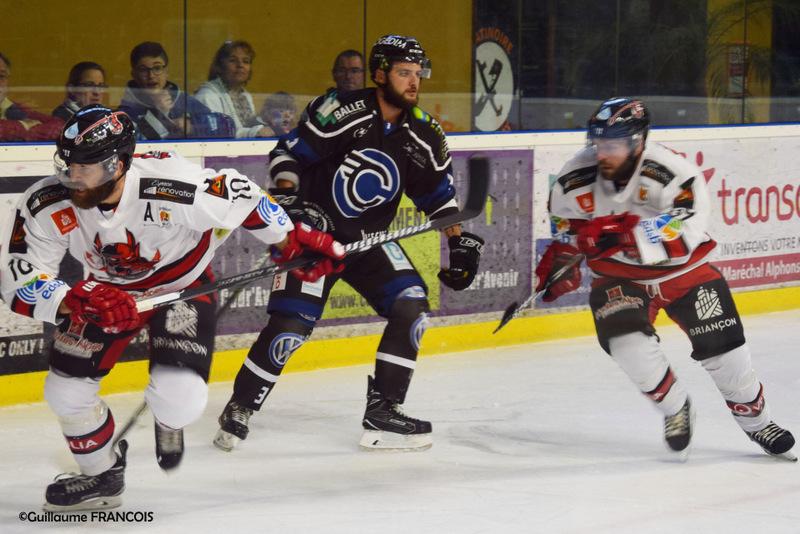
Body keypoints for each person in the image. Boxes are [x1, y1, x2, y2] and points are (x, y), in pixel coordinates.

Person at [0, 105, 344, 511]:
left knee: (180, 398)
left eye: (84, 167)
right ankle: (102, 474)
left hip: (181, 287)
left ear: (117, 164)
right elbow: (18, 275)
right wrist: (71, 300)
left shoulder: (170, 184)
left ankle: (168, 419)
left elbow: (242, 195)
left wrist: (289, 240)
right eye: (66, 163)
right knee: (65, 392)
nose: (71, 176)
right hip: (105, 297)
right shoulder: (47, 202)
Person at [214, 34, 485, 453]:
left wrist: (458, 240)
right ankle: (241, 406)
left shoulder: (425, 133)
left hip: (368, 242)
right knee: (291, 326)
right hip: (316, 239)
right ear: (380, 74)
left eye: (418, 74)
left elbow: (438, 197)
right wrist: (290, 203)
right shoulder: (341, 111)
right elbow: (288, 155)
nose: (413, 82)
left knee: (411, 305)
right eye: (404, 72)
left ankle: (384, 410)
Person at [538, 97, 795, 460]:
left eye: (613, 145)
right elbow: (567, 229)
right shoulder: (573, 176)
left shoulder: (672, 171)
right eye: (598, 143)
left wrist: (626, 234)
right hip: (618, 278)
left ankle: (758, 423)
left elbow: (685, 229)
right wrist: (563, 260)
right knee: (627, 347)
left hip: (685, 273)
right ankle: (676, 408)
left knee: (728, 357)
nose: (603, 153)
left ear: (638, 141)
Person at [119, 42, 234, 140]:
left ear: (166, 72)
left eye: (157, 68)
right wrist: (159, 114)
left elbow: (228, 126)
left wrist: (192, 126)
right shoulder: (126, 111)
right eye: (143, 70)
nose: (151, 75)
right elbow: (132, 146)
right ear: (134, 74)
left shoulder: (182, 100)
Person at [195, 40, 273, 138]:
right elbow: (216, 132)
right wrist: (254, 132)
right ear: (220, 66)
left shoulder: (245, 96)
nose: (240, 65)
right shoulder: (207, 96)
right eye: (233, 60)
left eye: (246, 61)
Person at [0, 52, 63, 141]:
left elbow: (59, 126)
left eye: (1, 76)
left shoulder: (13, 108)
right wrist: (24, 126)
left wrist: (28, 132)